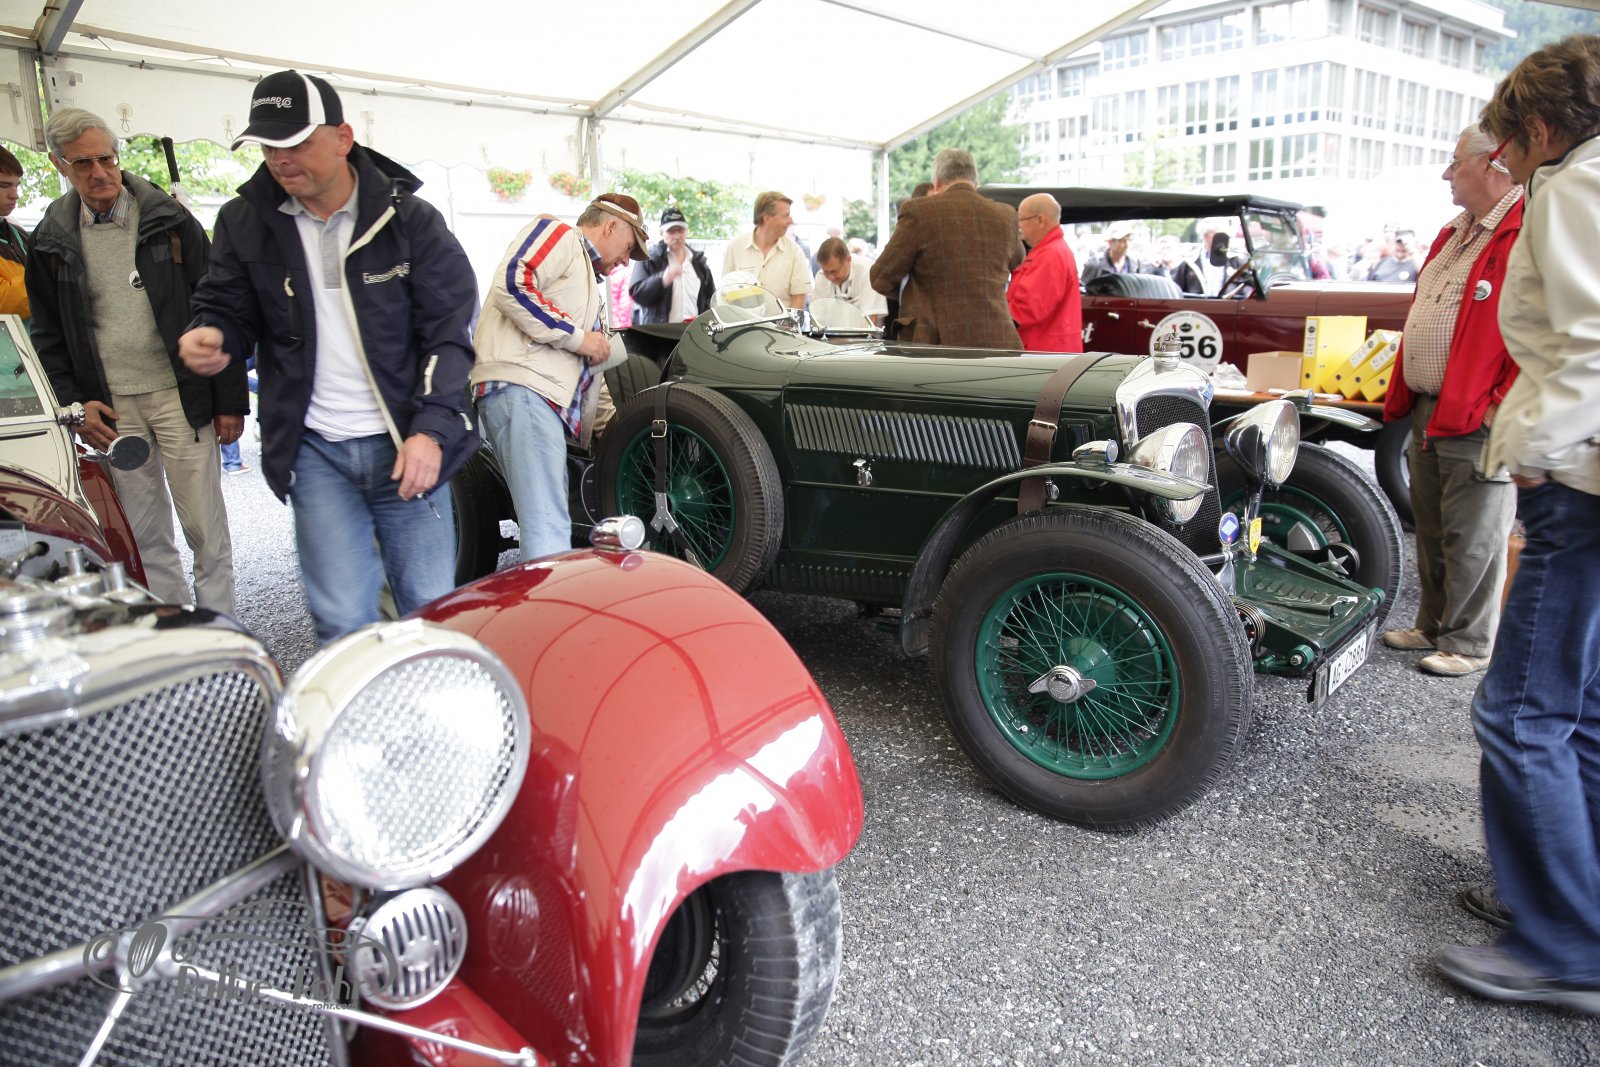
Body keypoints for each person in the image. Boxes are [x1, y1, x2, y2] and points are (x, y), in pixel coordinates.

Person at [178, 70, 479, 643]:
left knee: (429, 613)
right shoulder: (243, 221)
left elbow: (449, 334)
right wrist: (212, 334)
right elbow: (225, 307)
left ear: (343, 138)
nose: (280, 159)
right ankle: (360, 704)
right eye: (268, 146)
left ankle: (427, 702)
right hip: (314, 451)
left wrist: (432, 431)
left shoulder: (411, 220)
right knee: (341, 622)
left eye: (295, 142)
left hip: (406, 444)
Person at [1434, 34, 1600, 1017]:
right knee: (1580, 703)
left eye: (1509, 146)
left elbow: (1588, 345)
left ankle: (1562, 941)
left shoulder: (1574, 187)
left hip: (1579, 476)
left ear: (1539, 129)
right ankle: (1570, 893)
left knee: (1521, 711)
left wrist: (1529, 448)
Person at [28, 107, 244, 613]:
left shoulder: (170, 220)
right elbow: (48, 334)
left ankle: (219, 629)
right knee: (145, 535)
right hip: (113, 408)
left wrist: (229, 400)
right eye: (83, 163)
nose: (99, 172)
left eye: (106, 158)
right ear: (60, 165)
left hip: (181, 396)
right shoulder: (50, 238)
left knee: (206, 530)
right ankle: (169, 629)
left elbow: (220, 308)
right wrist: (76, 402)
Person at [1381, 124, 1523, 678]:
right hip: (1433, 402)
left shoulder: (1523, 230)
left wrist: (1498, 404)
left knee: (1476, 532)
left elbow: (1538, 330)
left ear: (1491, 165)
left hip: (1476, 409)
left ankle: (1468, 641)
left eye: (1456, 162)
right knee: (1435, 524)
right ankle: (1435, 624)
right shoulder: (1456, 231)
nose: (1447, 173)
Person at [472, 191, 648, 562]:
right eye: (629, 247)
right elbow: (511, 284)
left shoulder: (589, 289)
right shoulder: (561, 235)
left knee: (548, 522)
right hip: (526, 389)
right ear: (610, 226)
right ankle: (547, 598)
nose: (625, 262)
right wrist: (579, 338)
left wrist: (617, 432)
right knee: (548, 528)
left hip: (535, 398)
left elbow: (594, 377)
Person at [869, 147, 1024, 347]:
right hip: (996, 338)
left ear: (937, 182)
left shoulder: (919, 211)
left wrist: (914, 291)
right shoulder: (1006, 215)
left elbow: (880, 277)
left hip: (935, 342)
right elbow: (1018, 260)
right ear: (975, 180)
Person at [1007, 192, 1082, 353]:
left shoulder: (1049, 255)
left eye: (1021, 219)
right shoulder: (1053, 250)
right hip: (1051, 349)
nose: (1018, 225)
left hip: (1043, 351)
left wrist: (994, 321)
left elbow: (1027, 310)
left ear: (1040, 220)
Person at [722, 191, 811, 308]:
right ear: (767, 218)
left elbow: (798, 297)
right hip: (742, 320)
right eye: (785, 216)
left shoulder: (795, 252)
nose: (790, 221)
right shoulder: (735, 248)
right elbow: (725, 293)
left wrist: (788, 321)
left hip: (783, 321)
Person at [631, 206, 713, 324]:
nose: (677, 236)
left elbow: (711, 299)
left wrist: (703, 323)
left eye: (680, 230)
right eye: (671, 231)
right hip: (660, 333)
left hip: (693, 332)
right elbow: (638, 295)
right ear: (661, 233)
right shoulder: (650, 258)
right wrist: (663, 279)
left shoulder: (699, 262)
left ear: (687, 231)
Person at [812, 236, 887, 325]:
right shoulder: (821, 276)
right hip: (833, 332)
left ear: (848, 260)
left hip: (867, 332)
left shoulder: (868, 270)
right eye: (826, 272)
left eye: (834, 271)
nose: (831, 277)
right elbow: (818, 318)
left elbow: (871, 319)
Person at [1171, 219, 1244, 295]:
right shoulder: (1189, 262)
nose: (1226, 240)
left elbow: (1245, 289)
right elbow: (1176, 290)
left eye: (1228, 237)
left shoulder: (1235, 260)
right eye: (1222, 236)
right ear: (1206, 236)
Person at [0, 146, 29, 320]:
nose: (15, 195)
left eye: (17, 186)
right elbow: (4, 301)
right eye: (4, 185)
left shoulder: (18, 233)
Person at [1079, 222, 1153, 286]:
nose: (1127, 245)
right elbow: (1084, 292)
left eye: (1129, 240)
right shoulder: (1094, 265)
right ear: (1110, 242)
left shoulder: (1136, 264)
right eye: (1122, 241)